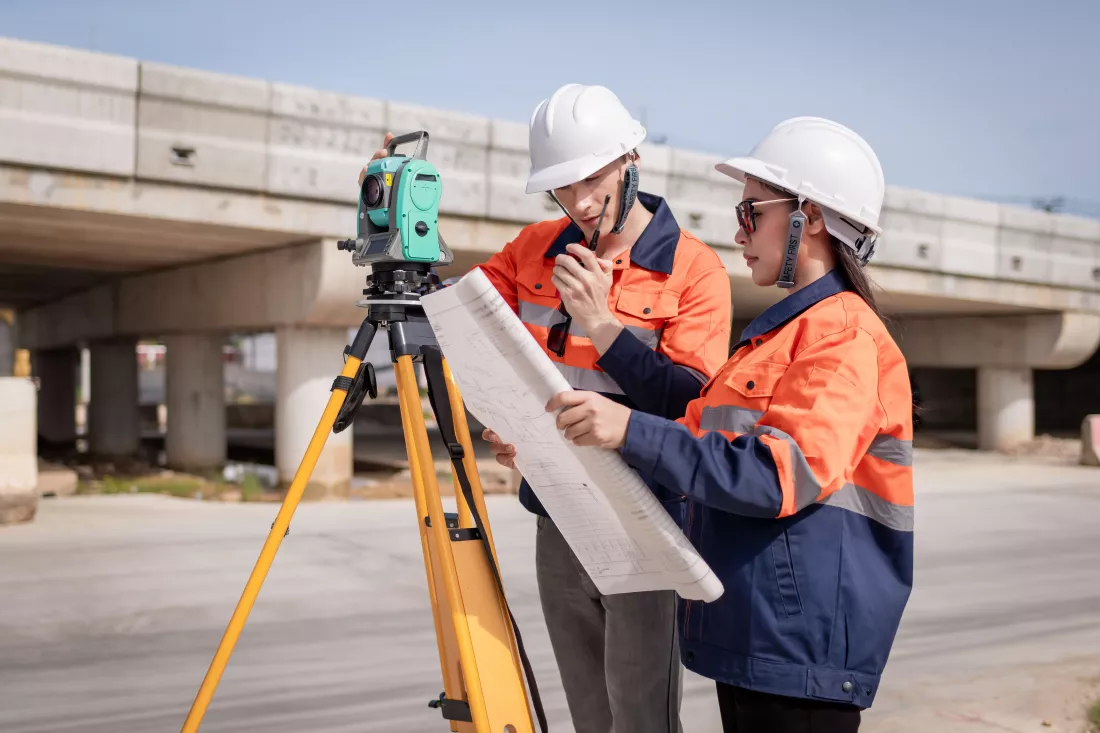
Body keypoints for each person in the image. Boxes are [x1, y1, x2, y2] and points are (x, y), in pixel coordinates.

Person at [360, 83, 732, 733]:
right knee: (588, 712)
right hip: (556, 515)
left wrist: (604, 326)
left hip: (642, 520)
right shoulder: (533, 248)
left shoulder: (695, 270)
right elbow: (459, 315)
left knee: (640, 718)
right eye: (563, 187)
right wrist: (401, 224)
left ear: (631, 160)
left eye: (592, 180)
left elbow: (689, 404)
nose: (580, 202)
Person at [546, 116, 914, 733]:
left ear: (809, 217)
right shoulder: (776, 339)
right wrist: (565, 432)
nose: (738, 230)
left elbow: (777, 475)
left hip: (799, 651)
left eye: (751, 212)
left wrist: (627, 429)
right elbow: (688, 434)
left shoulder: (843, 337)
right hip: (753, 633)